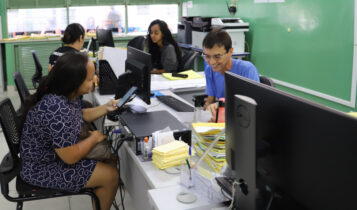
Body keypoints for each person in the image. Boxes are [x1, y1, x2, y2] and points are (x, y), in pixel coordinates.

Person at [20, 52, 119, 210]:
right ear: (74, 82)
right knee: (111, 176)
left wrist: (106, 107)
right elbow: (70, 157)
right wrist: (94, 138)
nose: (95, 80)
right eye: (89, 78)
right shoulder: (56, 109)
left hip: (52, 157)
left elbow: (80, 115)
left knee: (110, 160)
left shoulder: (66, 95)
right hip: (41, 168)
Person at [202, 28, 260, 122]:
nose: (212, 62)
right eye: (207, 56)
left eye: (217, 56)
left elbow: (252, 107)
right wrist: (209, 109)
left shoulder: (247, 70)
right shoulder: (209, 70)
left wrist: (222, 105)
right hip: (222, 122)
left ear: (230, 52)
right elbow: (210, 101)